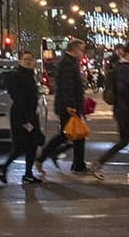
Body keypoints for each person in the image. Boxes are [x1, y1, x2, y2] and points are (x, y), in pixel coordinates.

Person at [93, 43, 129, 182]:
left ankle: (99, 163)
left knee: (126, 140)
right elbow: (124, 90)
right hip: (125, 109)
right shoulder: (124, 69)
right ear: (127, 54)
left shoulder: (124, 68)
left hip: (122, 109)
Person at [40, 38, 89, 173]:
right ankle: (43, 157)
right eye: (81, 50)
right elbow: (66, 86)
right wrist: (70, 104)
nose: (82, 54)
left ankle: (78, 165)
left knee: (74, 135)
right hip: (69, 106)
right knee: (68, 135)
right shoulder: (68, 63)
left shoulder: (70, 62)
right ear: (74, 50)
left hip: (70, 105)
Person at [0, 50, 42, 185]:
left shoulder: (30, 76)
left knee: (31, 145)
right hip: (21, 116)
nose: (28, 62)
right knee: (22, 145)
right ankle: (4, 168)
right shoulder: (16, 76)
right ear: (20, 61)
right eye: (25, 59)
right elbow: (18, 97)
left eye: (30, 59)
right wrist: (26, 120)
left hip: (31, 115)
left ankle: (27, 174)